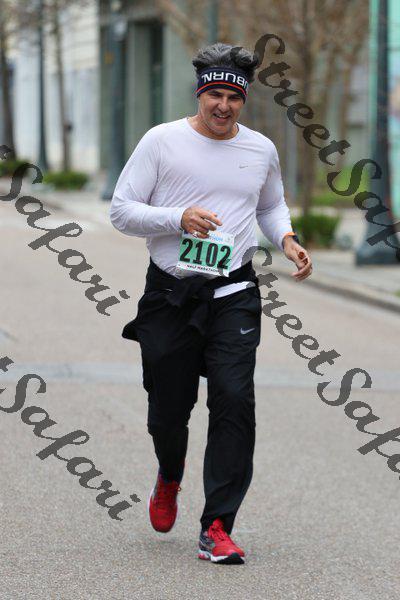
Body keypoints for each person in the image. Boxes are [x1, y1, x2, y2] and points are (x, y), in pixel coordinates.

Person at [109, 42, 312, 565]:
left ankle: (217, 525)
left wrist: (287, 239)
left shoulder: (260, 149)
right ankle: (169, 474)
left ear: (244, 100)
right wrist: (177, 217)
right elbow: (122, 211)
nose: (223, 106)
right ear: (200, 94)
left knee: (234, 401)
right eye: (215, 95)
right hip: (171, 294)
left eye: (233, 97)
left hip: (234, 293)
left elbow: (270, 205)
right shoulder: (162, 142)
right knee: (168, 411)